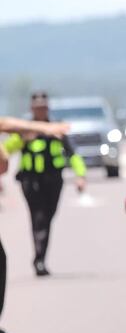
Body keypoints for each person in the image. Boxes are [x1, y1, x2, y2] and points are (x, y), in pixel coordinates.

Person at [0, 115, 69, 333]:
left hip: (52, 181)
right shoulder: (34, 131)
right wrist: (41, 129)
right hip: (32, 182)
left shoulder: (54, 136)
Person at [2, 92, 86, 276]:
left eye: (43, 107)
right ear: (32, 109)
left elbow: (72, 154)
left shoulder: (56, 130)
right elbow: (5, 150)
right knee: (38, 218)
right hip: (31, 181)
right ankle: (39, 260)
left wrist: (81, 176)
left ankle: (40, 256)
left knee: (48, 217)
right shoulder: (24, 131)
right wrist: (22, 139)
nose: (40, 110)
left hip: (53, 180)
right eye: (37, 107)